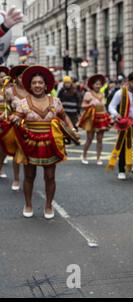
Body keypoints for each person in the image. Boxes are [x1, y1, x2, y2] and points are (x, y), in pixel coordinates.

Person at [8, 65, 78, 219]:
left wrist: (72, 129)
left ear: (46, 85)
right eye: (34, 83)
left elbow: (64, 116)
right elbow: (17, 116)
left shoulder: (55, 101)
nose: (37, 85)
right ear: (30, 85)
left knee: (50, 176)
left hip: (50, 142)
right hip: (29, 142)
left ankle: (48, 205)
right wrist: (14, 118)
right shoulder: (23, 103)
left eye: (40, 83)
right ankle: (28, 204)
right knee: (29, 176)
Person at [4, 64, 29, 191]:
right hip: (15, 126)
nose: (23, 79)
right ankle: (16, 178)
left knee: (28, 154)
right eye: (20, 77)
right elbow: (7, 110)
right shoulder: (9, 91)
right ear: (16, 78)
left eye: (25, 77)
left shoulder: (33, 90)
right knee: (16, 154)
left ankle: (28, 179)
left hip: (30, 126)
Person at [78, 74, 112, 165]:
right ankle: (84, 155)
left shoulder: (102, 94)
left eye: (99, 84)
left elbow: (103, 107)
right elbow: (83, 106)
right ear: (92, 85)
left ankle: (98, 158)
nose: (98, 86)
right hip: (91, 118)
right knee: (89, 139)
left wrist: (108, 116)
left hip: (101, 118)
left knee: (100, 139)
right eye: (96, 84)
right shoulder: (88, 94)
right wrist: (90, 104)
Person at [0, 66, 11, 179]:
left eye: (5, 77)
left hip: (6, 121)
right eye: (1, 77)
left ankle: (1, 167)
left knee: (3, 146)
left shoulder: (9, 91)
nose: (3, 79)